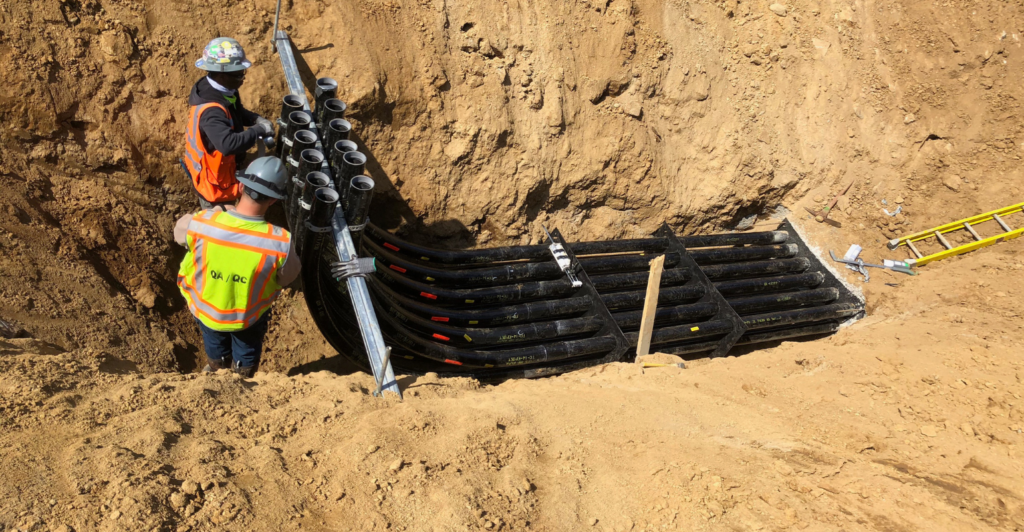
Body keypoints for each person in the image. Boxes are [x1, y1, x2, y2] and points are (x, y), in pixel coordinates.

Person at [174, 157, 299, 377]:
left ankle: (218, 367)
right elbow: (286, 277)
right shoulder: (281, 241)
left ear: (240, 186)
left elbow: (179, 233)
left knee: (214, 342)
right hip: (247, 316)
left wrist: (218, 210)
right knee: (247, 347)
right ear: (274, 201)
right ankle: (243, 374)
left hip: (208, 310)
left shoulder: (203, 222)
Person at [183, 37, 275, 209]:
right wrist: (258, 130)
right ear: (221, 74)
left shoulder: (223, 90)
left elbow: (236, 112)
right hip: (215, 187)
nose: (243, 79)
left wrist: (255, 119)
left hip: (225, 173)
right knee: (221, 232)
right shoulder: (211, 111)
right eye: (239, 75)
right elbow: (228, 144)